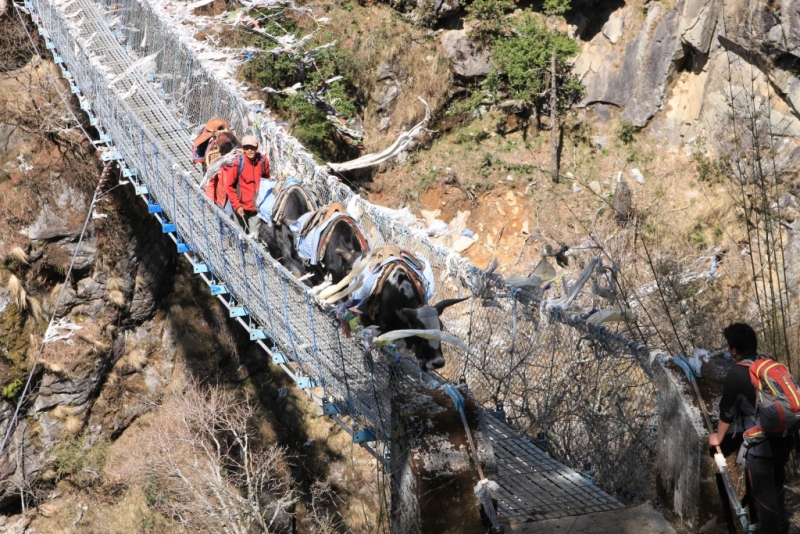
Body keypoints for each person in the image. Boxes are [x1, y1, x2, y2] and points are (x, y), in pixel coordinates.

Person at [708, 323, 793, 534]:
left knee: (764, 499)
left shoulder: (736, 372)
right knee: (777, 487)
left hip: (760, 446)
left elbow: (727, 412)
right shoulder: (769, 362)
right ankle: (782, 529)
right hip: (785, 437)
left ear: (734, 350)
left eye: (729, 348)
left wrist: (718, 438)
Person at [222, 135, 270, 236]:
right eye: (246, 148)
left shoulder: (263, 161)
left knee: (254, 237)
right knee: (240, 236)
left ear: (256, 147)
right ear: (243, 149)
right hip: (241, 208)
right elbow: (229, 186)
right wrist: (237, 205)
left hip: (256, 208)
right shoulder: (237, 163)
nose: (249, 150)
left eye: (252, 147)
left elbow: (267, 182)